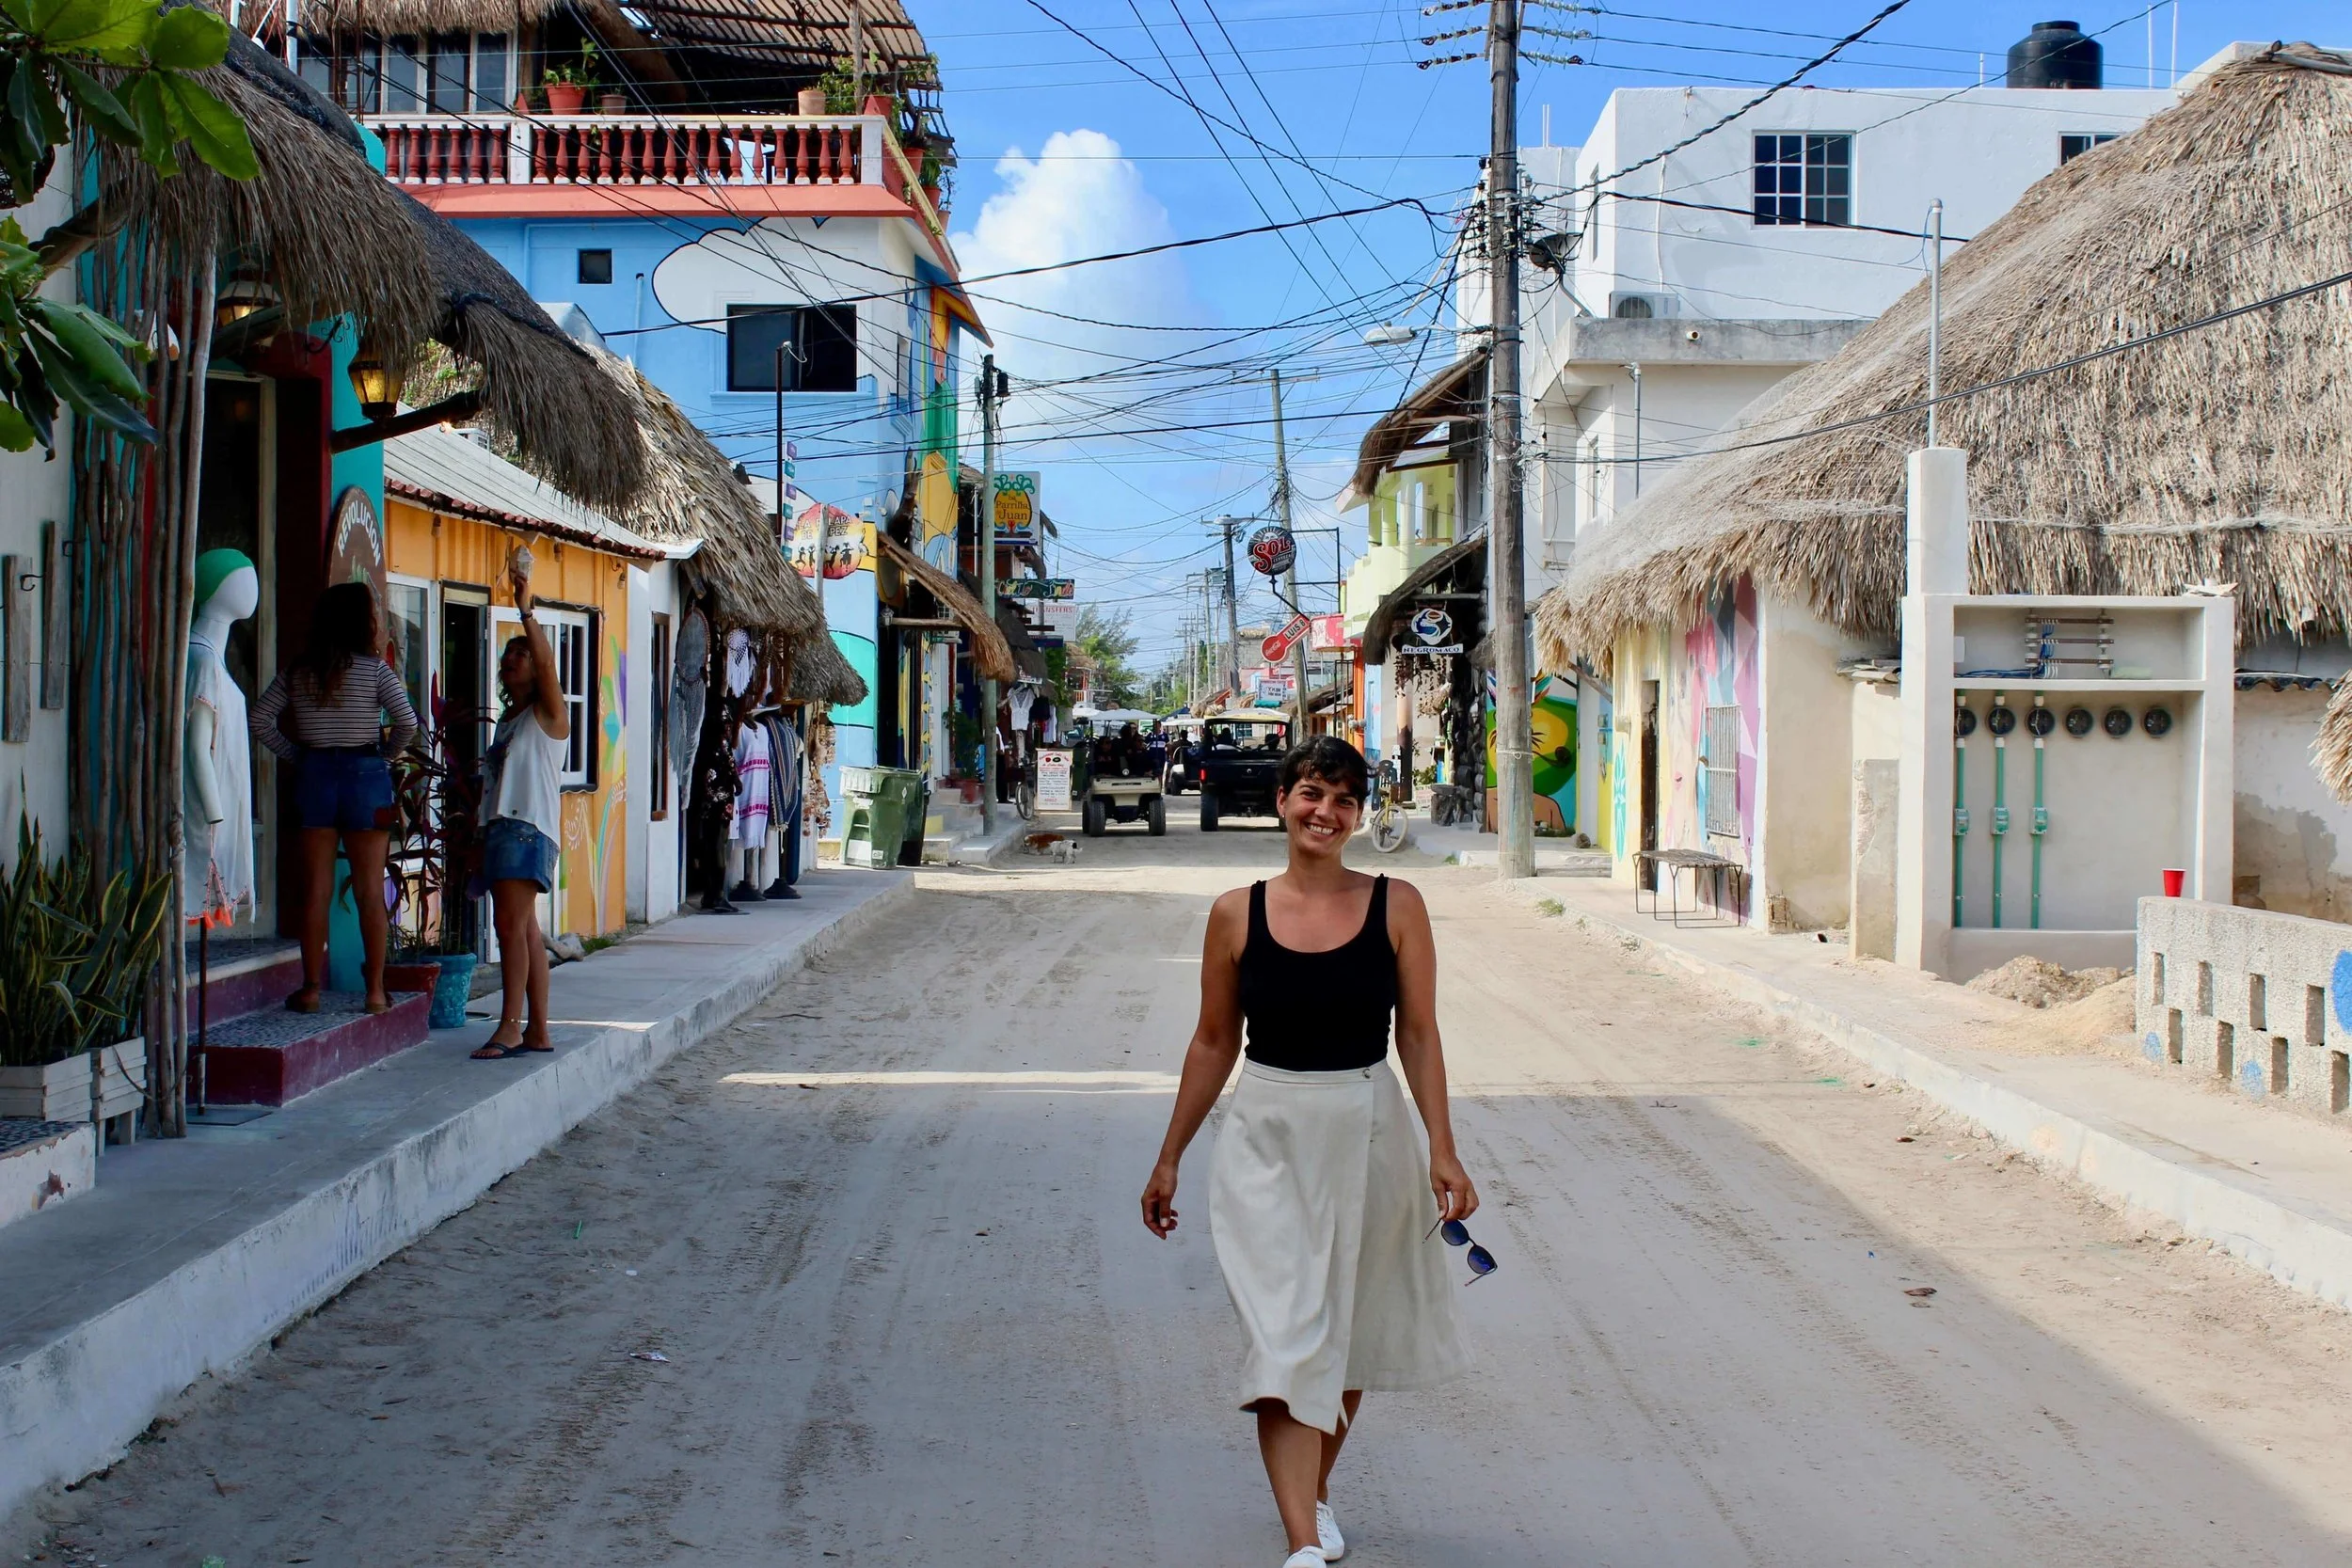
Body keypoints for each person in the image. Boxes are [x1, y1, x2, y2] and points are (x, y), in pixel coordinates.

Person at [1140, 735, 1478, 1567]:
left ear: (1360, 815)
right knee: (1287, 1338)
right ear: (1283, 801)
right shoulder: (1234, 911)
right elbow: (1214, 1040)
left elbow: (1422, 1036)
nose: (1324, 811)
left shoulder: (1398, 905)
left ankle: (1314, 1493)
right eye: (1310, 793)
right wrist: (1170, 1154)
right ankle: (1301, 1546)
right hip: (1268, 1134)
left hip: (1368, 1127)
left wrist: (1444, 1148)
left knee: (1349, 1335)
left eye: (1343, 799)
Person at [251, 581, 419, 1014]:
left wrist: (298, 755)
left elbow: (259, 720)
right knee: (368, 890)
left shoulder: (298, 672)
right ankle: (376, 992)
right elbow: (408, 722)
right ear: (363, 621)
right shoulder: (375, 670)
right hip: (366, 778)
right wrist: (381, 756)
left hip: (315, 777)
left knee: (315, 891)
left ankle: (309, 989)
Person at [469, 550, 571, 1059]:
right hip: (503, 829)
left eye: (521, 655)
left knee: (508, 927)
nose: (512, 661)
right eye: (508, 657)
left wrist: (524, 608)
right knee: (525, 929)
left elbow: (549, 663)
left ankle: (510, 1025)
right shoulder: (509, 722)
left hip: (526, 829)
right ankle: (537, 1030)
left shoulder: (550, 714)